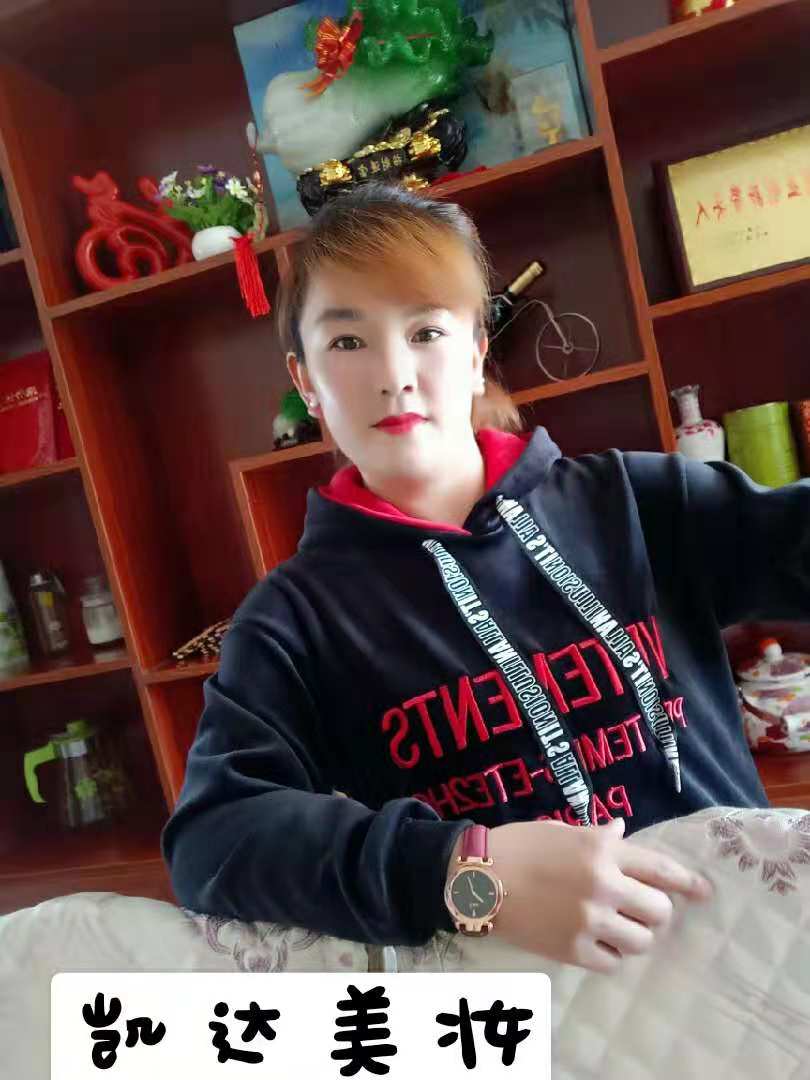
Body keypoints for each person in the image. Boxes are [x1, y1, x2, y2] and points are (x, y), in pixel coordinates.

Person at [162, 182, 810, 975]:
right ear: (306, 383)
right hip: (535, 1009)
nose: (394, 375)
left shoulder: (635, 501)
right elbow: (212, 843)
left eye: (426, 331)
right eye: (348, 341)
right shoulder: (293, 620)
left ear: (474, 354)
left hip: (752, 960)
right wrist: (466, 872)